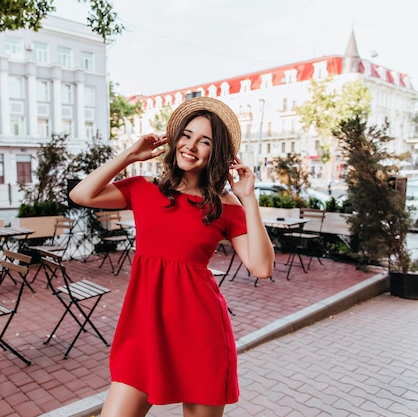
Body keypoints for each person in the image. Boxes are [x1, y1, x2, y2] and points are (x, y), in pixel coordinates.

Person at [69, 96, 275, 417]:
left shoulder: (225, 205)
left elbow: (261, 267)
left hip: (200, 333)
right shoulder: (143, 189)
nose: (191, 145)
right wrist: (128, 156)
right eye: (187, 135)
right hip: (144, 328)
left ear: (216, 152)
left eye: (204, 141)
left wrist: (248, 198)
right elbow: (82, 194)